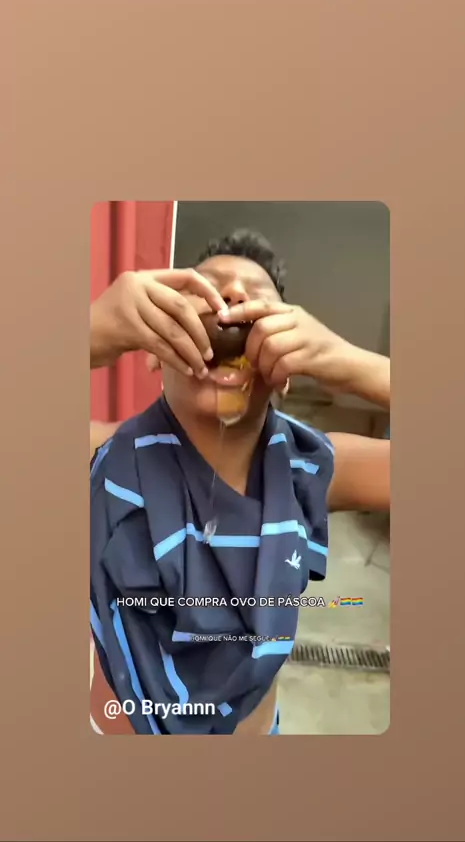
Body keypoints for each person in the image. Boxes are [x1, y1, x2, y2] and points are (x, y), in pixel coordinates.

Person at [90, 229, 390, 735]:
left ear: (287, 365)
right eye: (206, 290)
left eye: (255, 298)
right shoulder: (102, 459)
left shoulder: (312, 468)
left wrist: (349, 363)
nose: (231, 295)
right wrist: (87, 335)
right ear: (153, 350)